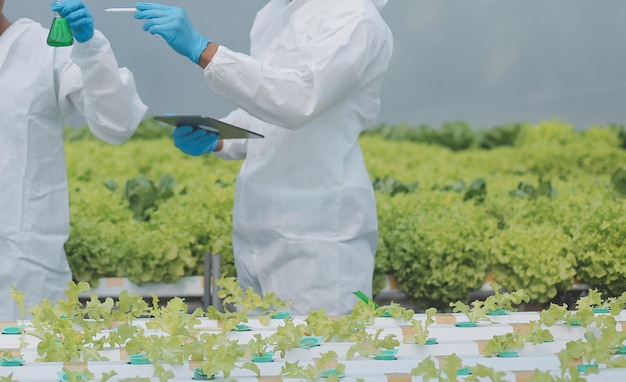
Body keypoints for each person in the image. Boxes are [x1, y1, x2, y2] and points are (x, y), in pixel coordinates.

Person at [135, 0, 392, 315]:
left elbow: (299, 98)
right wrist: (218, 137)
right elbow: (265, 105)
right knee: (262, 357)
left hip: (318, 236)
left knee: (318, 355)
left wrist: (205, 51)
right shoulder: (271, 15)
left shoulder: (353, 17)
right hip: (256, 231)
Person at [0, 0, 147, 319]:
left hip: (24, 269)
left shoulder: (46, 50)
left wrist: (90, 48)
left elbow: (116, 124)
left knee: (27, 363)